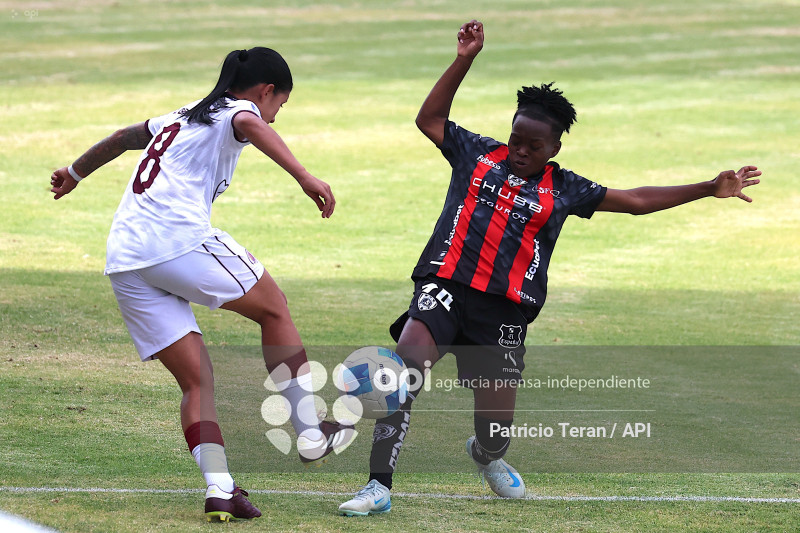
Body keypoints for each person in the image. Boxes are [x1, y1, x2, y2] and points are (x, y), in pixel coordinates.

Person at [338, 20, 761, 516]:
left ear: (554, 148)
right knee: (406, 364)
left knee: (495, 429)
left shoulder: (566, 189)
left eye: (533, 146)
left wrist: (707, 187)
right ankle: (378, 486)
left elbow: (637, 201)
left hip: (504, 312)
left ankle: (486, 455)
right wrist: (464, 59)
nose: (520, 150)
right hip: (446, 287)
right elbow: (429, 119)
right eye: (517, 139)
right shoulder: (476, 154)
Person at [50, 47, 355, 522]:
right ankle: (311, 432)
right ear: (266, 91)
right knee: (274, 308)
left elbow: (120, 137)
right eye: (280, 105)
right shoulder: (242, 110)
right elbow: (253, 125)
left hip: (125, 257)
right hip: (174, 240)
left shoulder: (179, 116)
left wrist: (73, 173)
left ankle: (220, 488)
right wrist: (303, 175)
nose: (274, 115)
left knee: (197, 382)